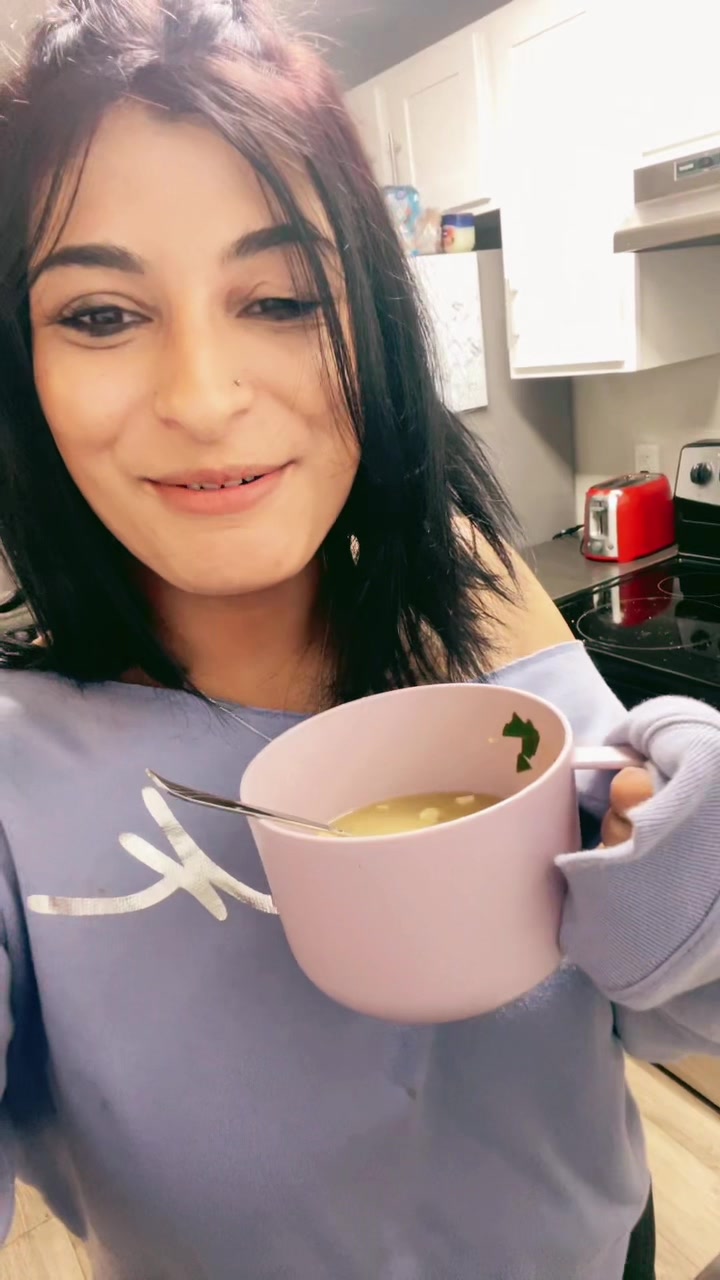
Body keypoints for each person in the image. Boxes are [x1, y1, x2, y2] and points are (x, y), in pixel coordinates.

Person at [0, 1, 717, 1276]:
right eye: (101, 314)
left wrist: (684, 831)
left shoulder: (482, 612)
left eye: (279, 297)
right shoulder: (19, 763)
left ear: (376, 326)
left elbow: (672, 976)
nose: (204, 398)